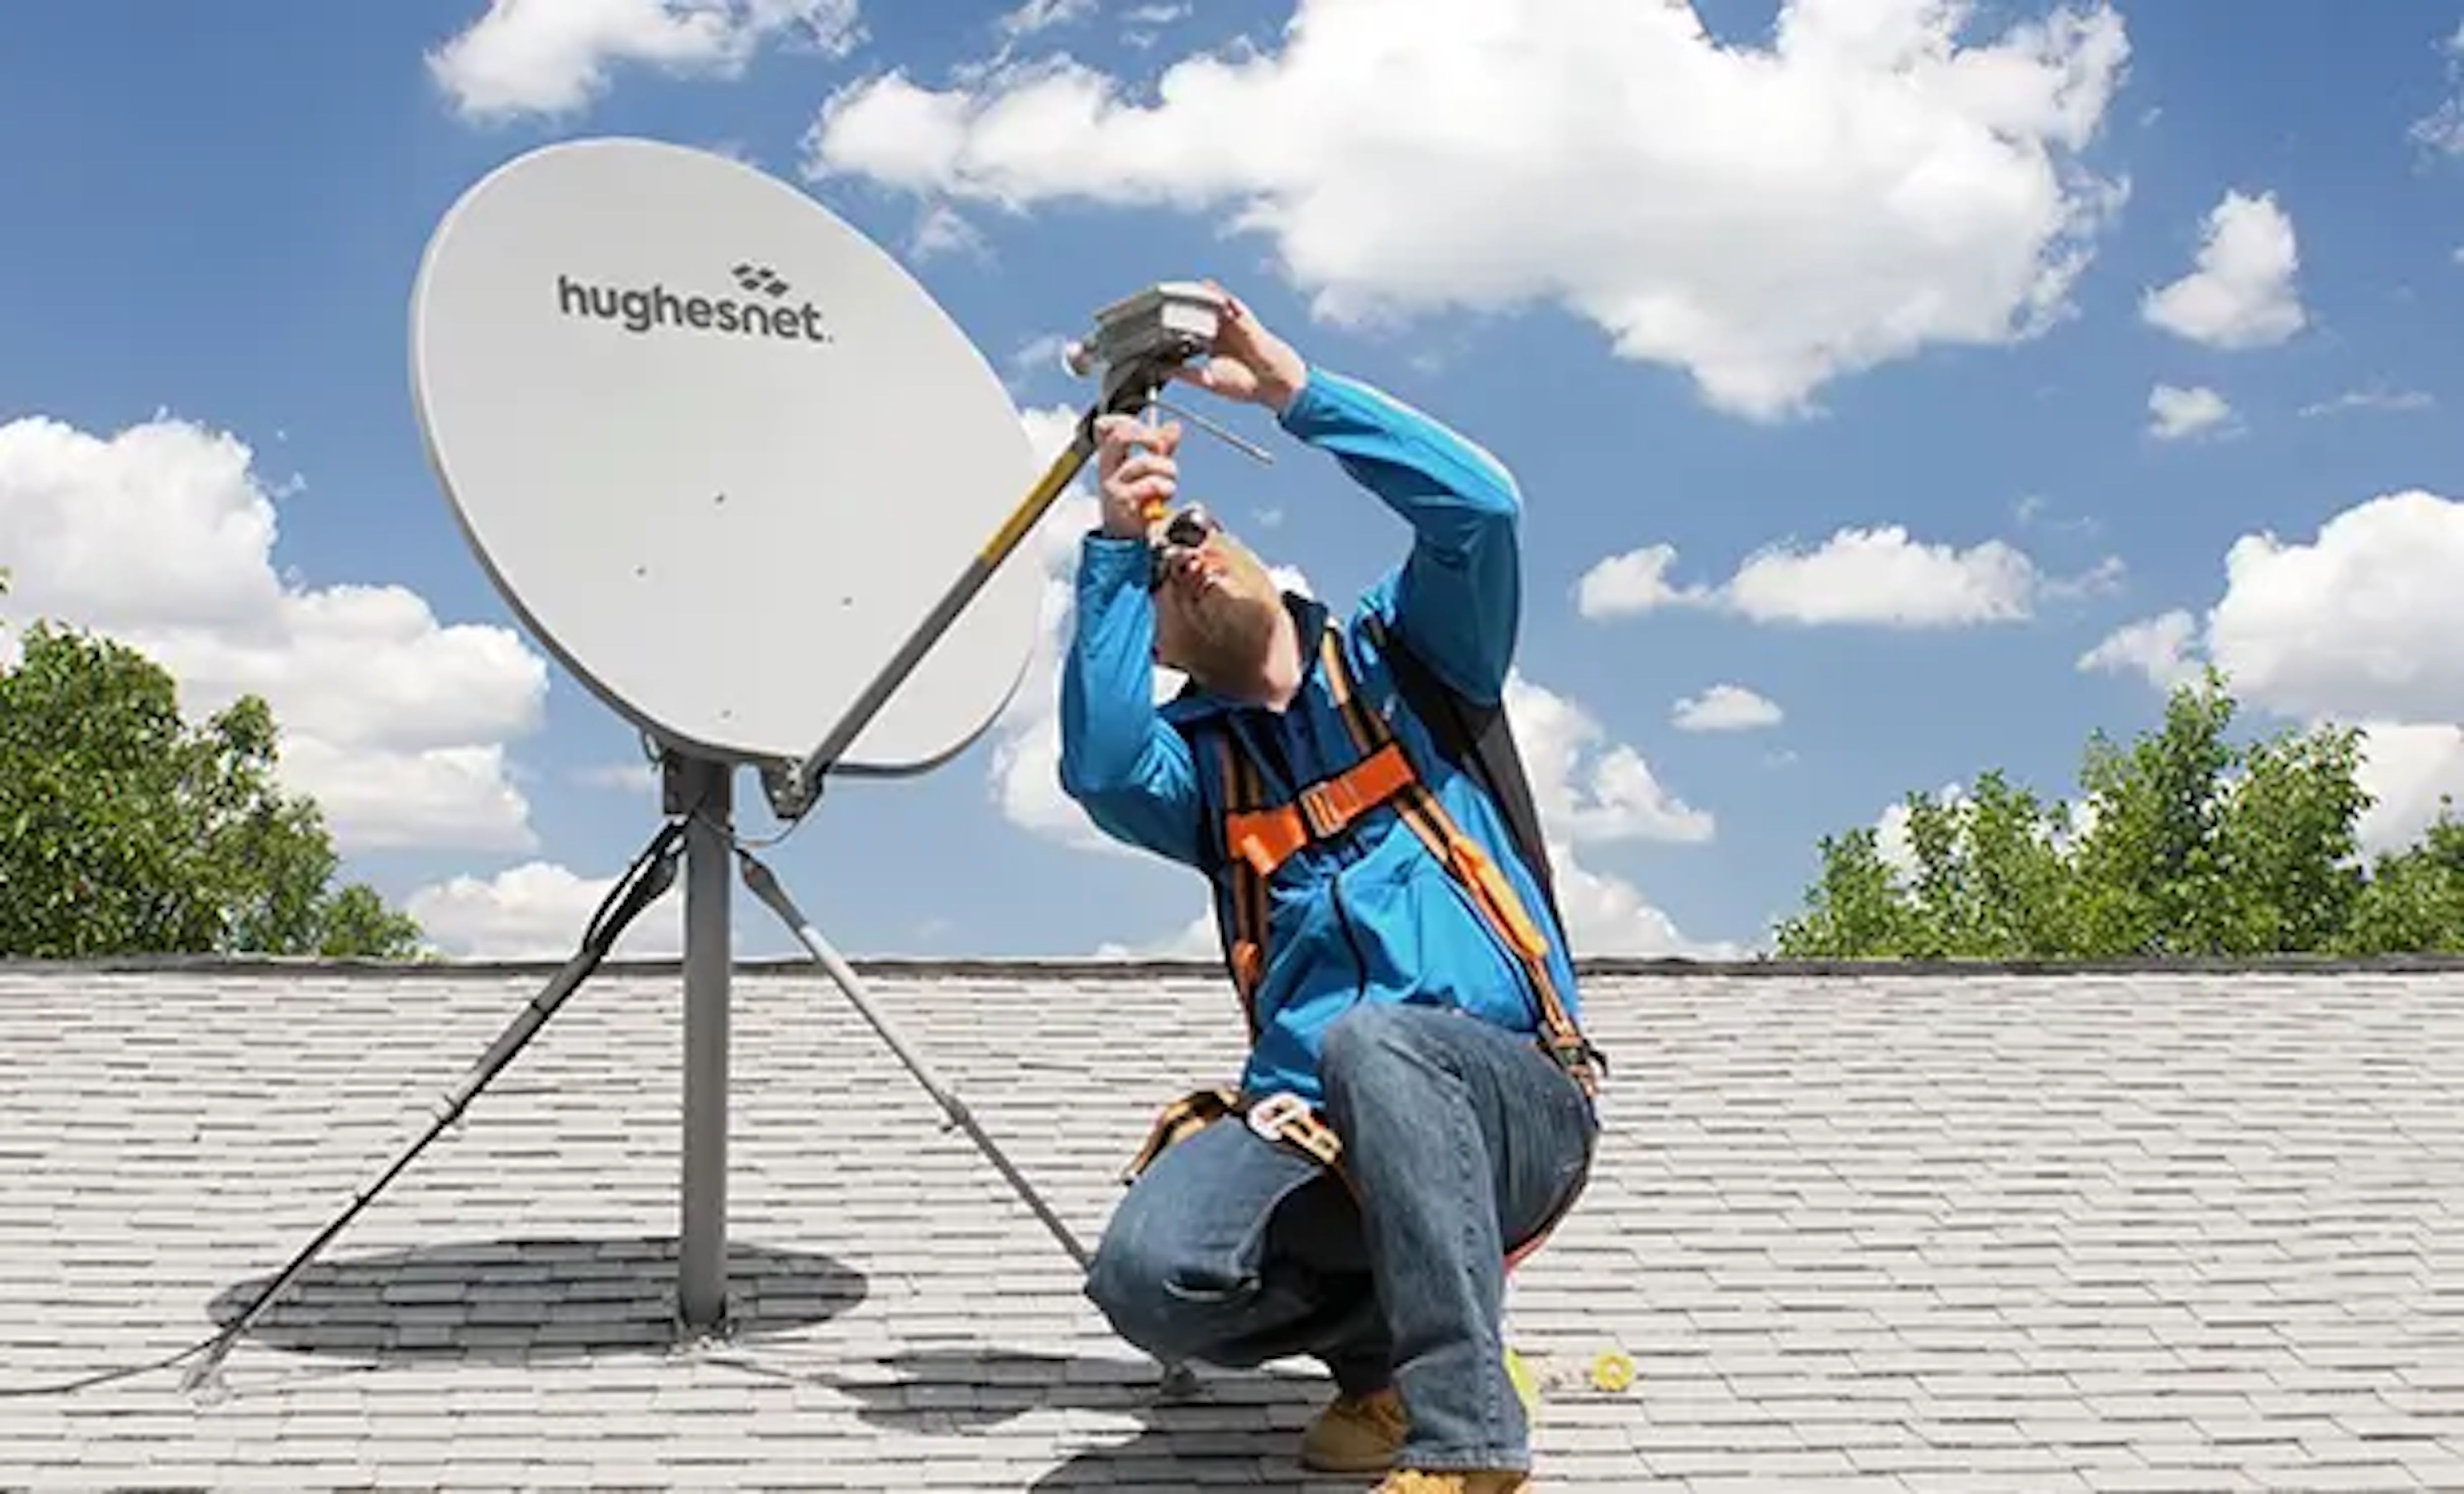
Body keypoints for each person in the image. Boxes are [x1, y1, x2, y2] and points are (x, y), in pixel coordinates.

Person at [1056, 282, 1604, 1494]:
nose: (1183, 557)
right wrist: (1110, 546)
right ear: (1146, 642)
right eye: (1159, 573)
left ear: (1261, 558)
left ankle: (1468, 1440)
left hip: (1509, 1100)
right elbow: (1096, 766)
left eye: (1196, 532)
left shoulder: (1411, 665)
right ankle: (1384, 1369)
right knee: (1145, 1277)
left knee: (1378, 1042)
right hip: (1320, 1131)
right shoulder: (1196, 776)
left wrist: (1297, 394)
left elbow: (1480, 507)